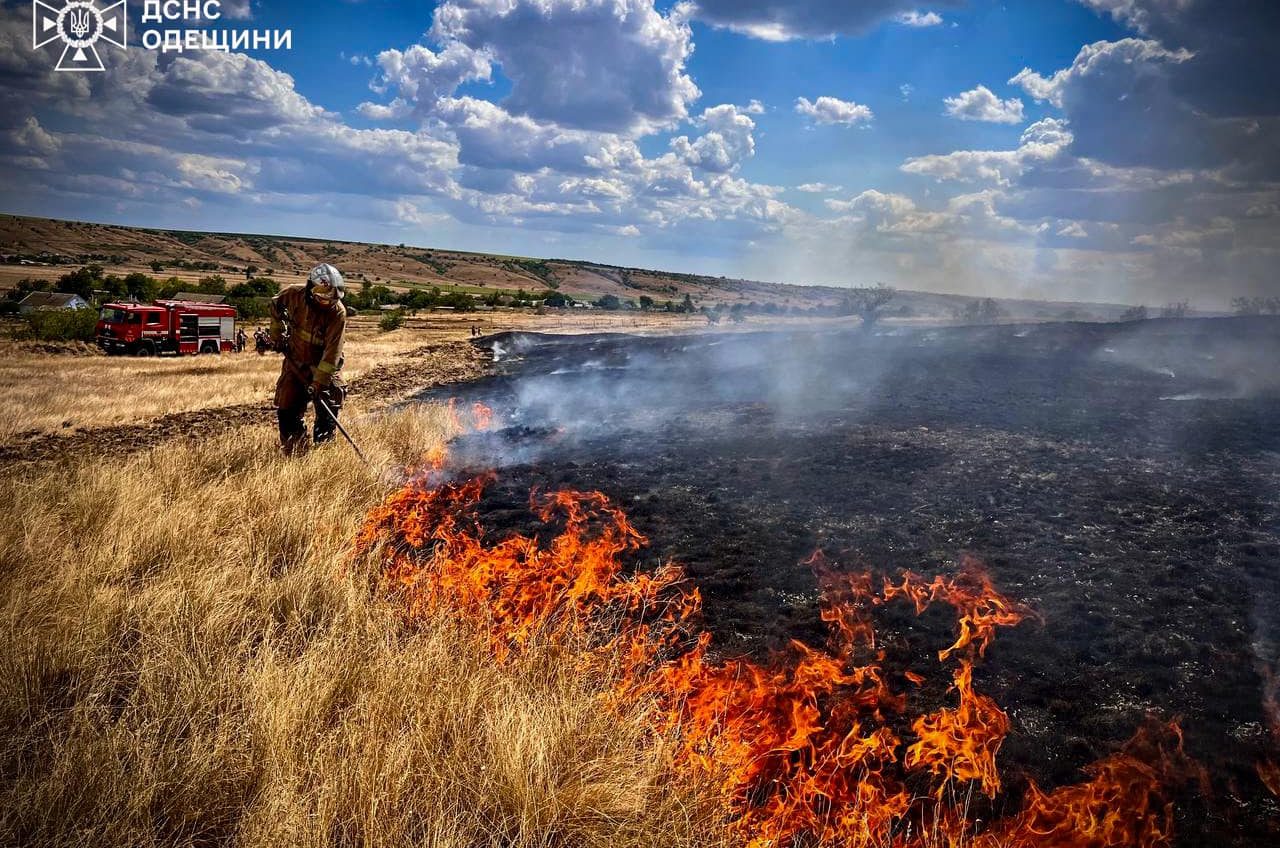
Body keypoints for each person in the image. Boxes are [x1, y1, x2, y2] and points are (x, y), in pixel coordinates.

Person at [269, 264, 348, 456]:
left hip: (323, 365)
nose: (328, 303)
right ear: (311, 291)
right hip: (295, 361)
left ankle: (323, 453)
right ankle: (296, 452)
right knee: (287, 405)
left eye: (332, 300)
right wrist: (277, 336)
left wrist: (319, 382)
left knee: (329, 402)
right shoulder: (292, 294)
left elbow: (332, 353)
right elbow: (274, 305)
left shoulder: (338, 313)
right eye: (324, 299)